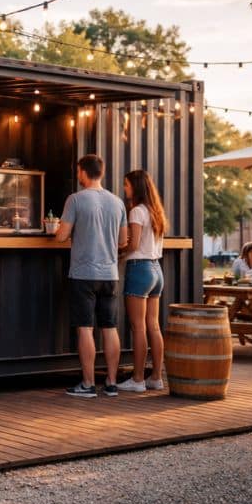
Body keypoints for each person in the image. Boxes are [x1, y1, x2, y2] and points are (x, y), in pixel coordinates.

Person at [56, 154, 128, 398]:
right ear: (103, 172)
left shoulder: (75, 200)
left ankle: (87, 384)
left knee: (85, 329)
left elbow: (60, 236)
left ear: (83, 172)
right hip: (110, 274)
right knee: (110, 327)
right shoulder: (117, 202)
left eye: (78, 171)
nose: (78, 175)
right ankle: (111, 383)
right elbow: (124, 241)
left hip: (83, 274)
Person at [117, 170, 166, 393]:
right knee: (153, 326)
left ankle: (137, 379)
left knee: (138, 328)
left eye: (127, 185)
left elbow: (134, 244)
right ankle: (156, 377)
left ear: (136, 187)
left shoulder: (136, 212)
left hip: (139, 270)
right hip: (156, 270)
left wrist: (117, 252)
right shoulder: (156, 212)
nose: (125, 189)